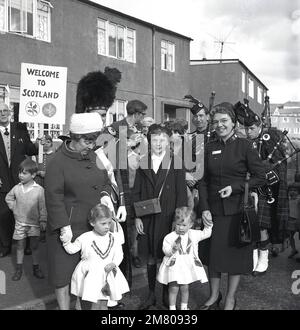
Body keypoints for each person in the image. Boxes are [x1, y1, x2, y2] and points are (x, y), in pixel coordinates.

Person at [198, 102, 266, 310]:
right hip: (213, 211)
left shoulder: (245, 146)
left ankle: (230, 298)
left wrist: (235, 187)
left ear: (234, 123)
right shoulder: (209, 147)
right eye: (216, 121)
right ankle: (213, 295)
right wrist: (204, 208)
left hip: (237, 210)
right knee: (213, 256)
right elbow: (202, 181)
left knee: (235, 258)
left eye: (224, 121)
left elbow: (260, 177)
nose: (220, 125)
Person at [45, 112, 114, 310]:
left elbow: (105, 181)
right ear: (74, 138)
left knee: (87, 276)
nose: (91, 145)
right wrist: (63, 225)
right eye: (87, 141)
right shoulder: (57, 162)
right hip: (66, 229)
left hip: (91, 227)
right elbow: (53, 197)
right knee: (63, 277)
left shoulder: (94, 156)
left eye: (94, 140)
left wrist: (105, 195)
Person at [133, 124, 188, 310]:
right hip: (147, 216)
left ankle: (166, 293)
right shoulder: (143, 161)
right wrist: (137, 217)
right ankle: (150, 294)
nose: (158, 143)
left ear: (168, 141)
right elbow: (137, 191)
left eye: (162, 139)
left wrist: (178, 220)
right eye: (154, 139)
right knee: (149, 255)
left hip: (167, 216)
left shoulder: (176, 161)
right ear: (149, 141)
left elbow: (181, 194)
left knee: (167, 255)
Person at [241, 104, 289, 275]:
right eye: (246, 128)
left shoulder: (269, 140)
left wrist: (266, 170)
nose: (248, 132)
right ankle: (253, 257)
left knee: (261, 225)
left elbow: (280, 167)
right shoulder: (246, 142)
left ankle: (263, 259)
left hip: (265, 189)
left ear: (259, 126)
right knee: (249, 224)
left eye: (251, 128)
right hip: (248, 186)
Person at [60, 204, 129, 310]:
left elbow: (119, 254)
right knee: (91, 302)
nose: (107, 226)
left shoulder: (114, 238)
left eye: (109, 223)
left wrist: (114, 263)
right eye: (103, 223)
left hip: (106, 275)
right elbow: (71, 249)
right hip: (90, 276)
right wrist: (66, 241)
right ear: (92, 223)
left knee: (104, 302)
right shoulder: (85, 238)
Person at [0, 102, 38, 257]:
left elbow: (30, 149)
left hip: (21, 178)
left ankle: (27, 244)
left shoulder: (20, 128)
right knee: (3, 214)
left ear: (10, 113)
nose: (2, 113)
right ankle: (5, 245)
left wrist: (38, 144)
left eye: (5, 110)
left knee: (25, 212)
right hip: (2, 179)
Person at [157, 206, 213, 310]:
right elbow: (165, 251)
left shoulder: (194, 234)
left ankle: (184, 307)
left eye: (184, 225)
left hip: (186, 266)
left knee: (185, 288)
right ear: (175, 223)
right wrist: (172, 249)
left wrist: (208, 223)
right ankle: (172, 308)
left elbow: (206, 234)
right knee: (173, 288)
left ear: (191, 225)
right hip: (174, 267)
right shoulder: (169, 237)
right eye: (178, 224)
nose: (181, 227)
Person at [5, 158, 46, 280]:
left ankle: (36, 267)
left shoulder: (39, 190)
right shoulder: (17, 188)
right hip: (20, 223)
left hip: (34, 224)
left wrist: (43, 220)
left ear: (33, 175)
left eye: (24, 173)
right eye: (19, 172)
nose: (20, 175)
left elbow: (43, 207)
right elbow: (8, 198)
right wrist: (14, 208)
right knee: (20, 246)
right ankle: (19, 269)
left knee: (34, 246)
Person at [286, 183, 300, 259]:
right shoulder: (288, 199)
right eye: (291, 190)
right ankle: (293, 249)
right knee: (290, 236)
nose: (292, 192)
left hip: (298, 220)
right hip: (290, 220)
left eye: (295, 190)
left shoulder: (299, 199)